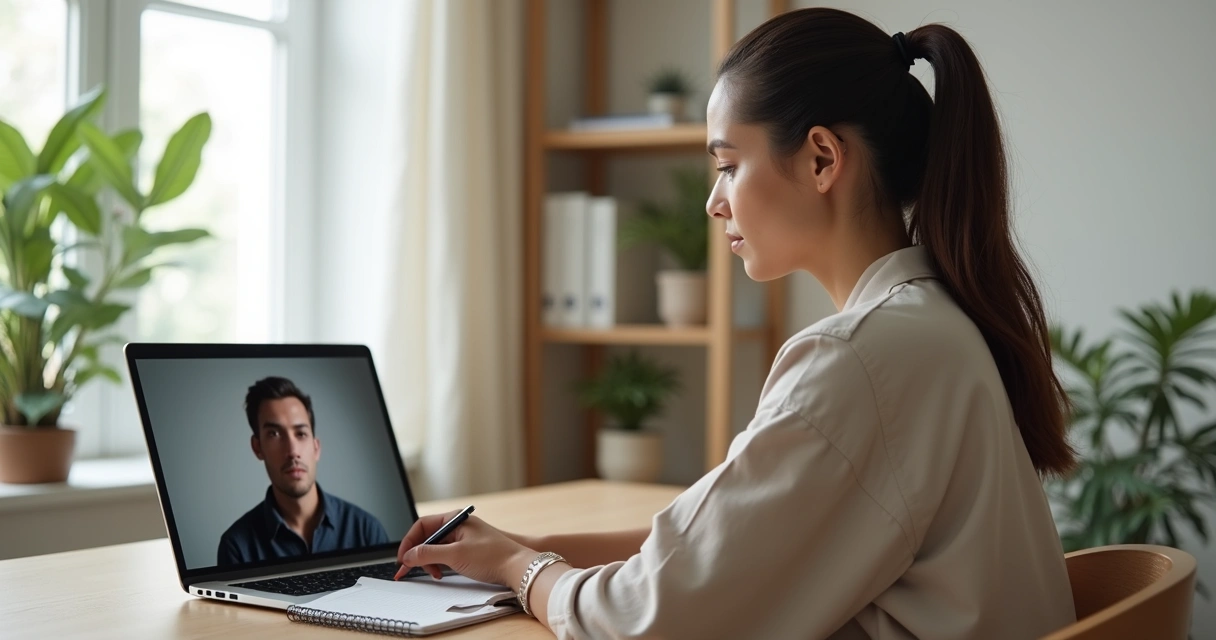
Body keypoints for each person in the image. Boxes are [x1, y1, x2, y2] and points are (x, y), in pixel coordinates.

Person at [396, 8, 1077, 639]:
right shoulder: (930, 327)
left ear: (821, 158)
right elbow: (716, 547)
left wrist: (524, 573)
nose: (715, 204)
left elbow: (649, 620)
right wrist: (514, 550)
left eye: (727, 166)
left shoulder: (860, 359)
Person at [217, 376, 389, 566]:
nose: (292, 452)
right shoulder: (237, 547)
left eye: (301, 434)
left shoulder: (366, 530)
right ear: (257, 448)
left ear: (316, 447)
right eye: (274, 434)